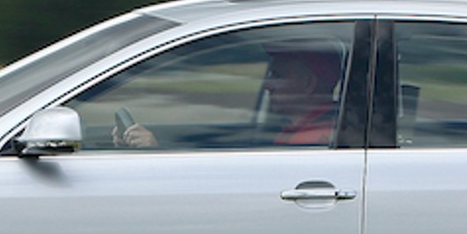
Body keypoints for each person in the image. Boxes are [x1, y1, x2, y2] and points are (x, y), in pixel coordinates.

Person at [114, 47, 343, 149]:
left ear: (308, 84)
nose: (267, 85)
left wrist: (155, 154)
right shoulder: (303, 130)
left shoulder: (315, 137)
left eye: (278, 75)